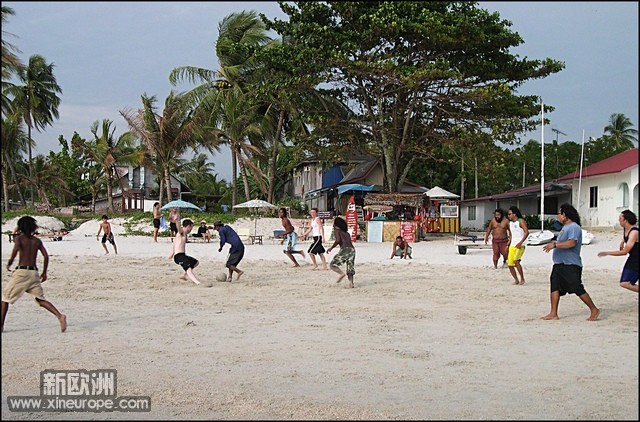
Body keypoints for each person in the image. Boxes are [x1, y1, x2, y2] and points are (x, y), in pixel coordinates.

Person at [2, 216, 67, 333]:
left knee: (5, 299)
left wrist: (9, 263)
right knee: (40, 300)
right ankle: (60, 315)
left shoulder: (19, 239)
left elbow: (14, 252)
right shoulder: (37, 241)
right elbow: (46, 256)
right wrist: (44, 273)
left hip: (22, 273)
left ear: (21, 227)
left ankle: (1, 326)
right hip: (34, 273)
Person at [542, 203, 600, 321]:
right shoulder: (565, 228)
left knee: (576, 287)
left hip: (571, 264)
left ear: (565, 215)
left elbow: (572, 242)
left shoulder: (573, 227)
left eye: (559, 213)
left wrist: (555, 245)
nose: (558, 216)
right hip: (559, 263)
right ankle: (553, 313)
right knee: (555, 287)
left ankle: (594, 309)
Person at [597, 209, 639, 293]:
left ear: (625, 220)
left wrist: (607, 253)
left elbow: (624, 252)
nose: (618, 220)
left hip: (637, 260)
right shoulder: (626, 230)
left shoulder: (634, 232)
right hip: (633, 258)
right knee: (624, 282)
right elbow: (623, 249)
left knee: (625, 283)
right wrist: (622, 242)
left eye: (620, 218)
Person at [168, 212, 205, 286]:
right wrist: (177, 220)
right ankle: (197, 282)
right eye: (191, 227)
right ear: (188, 226)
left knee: (195, 262)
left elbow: (175, 243)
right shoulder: (182, 232)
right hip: (179, 256)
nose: (191, 229)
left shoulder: (182, 234)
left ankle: (184, 275)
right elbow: (179, 228)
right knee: (188, 268)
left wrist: (171, 253)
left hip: (182, 255)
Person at [326, 217, 356, 288]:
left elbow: (338, 240)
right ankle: (351, 283)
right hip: (352, 250)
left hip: (345, 249)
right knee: (350, 268)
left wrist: (331, 248)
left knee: (332, 265)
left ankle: (341, 274)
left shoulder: (337, 230)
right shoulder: (347, 233)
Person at [506, 206, 528, 285]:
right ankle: (516, 279)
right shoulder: (510, 223)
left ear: (514, 214)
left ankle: (522, 278)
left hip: (520, 245)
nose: (509, 216)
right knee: (510, 264)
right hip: (512, 245)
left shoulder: (521, 221)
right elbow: (511, 234)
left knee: (516, 260)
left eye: (510, 214)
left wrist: (521, 242)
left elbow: (526, 232)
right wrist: (509, 241)